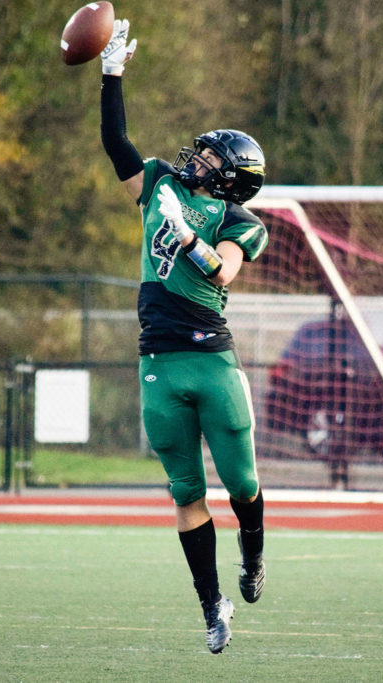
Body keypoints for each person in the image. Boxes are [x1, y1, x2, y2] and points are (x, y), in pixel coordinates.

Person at [97, 19, 267, 654]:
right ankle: (211, 606)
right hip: (159, 364)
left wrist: (189, 239)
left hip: (211, 362)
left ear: (231, 178)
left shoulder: (237, 218)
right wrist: (111, 76)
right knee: (185, 493)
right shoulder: (162, 184)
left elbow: (225, 270)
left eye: (211, 157)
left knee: (242, 483)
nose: (197, 158)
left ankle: (252, 559)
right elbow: (117, 143)